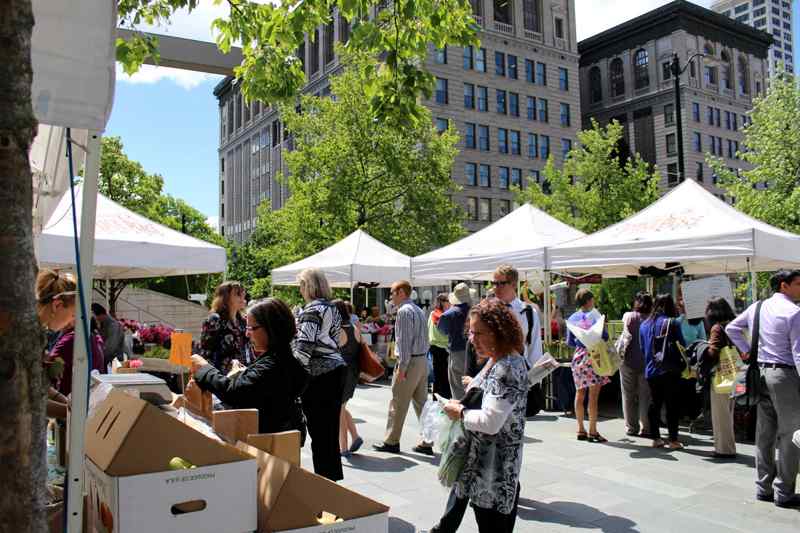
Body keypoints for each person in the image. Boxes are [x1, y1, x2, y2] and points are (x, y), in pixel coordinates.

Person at [430, 298, 529, 533]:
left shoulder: (506, 366)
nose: (472, 339)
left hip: (494, 474)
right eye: (471, 332)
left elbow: (491, 422)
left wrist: (461, 412)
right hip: (486, 470)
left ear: (499, 332)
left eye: (479, 333)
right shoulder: (499, 360)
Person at [726, 269, 800, 508]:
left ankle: (763, 487)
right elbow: (799, 353)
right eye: (798, 283)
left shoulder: (757, 307)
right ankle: (784, 491)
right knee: (790, 435)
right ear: (784, 286)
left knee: (765, 433)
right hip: (784, 376)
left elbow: (731, 329)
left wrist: (746, 350)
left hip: (759, 374)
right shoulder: (794, 312)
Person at [190, 298, 308, 439]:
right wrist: (245, 373)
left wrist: (204, 368)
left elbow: (234, 392)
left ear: (271, 328)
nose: (247, 334)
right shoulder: (283, 361)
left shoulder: (274, 364)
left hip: (263, 447)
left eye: (251, 328)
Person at [294, 268, 347, 481]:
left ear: (308, 286)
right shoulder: (332, 308)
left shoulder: (312, 310)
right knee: (329, 435)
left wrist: (294, 379)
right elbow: (338, 339)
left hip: (319, 376)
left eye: (301, 285)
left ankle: (325, 487)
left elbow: (304, 348)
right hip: (336, 370)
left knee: (320, 435)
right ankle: (331, 482)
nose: (300, 290)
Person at [373, 280, 433, 455]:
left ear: (401, 292)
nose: (390, 296)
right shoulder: (418, 310)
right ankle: (427, 441)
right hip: (421, 360)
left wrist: (402, 369)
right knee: (421, 403)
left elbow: (404, 342)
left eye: (392, 292)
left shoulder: (404, 312)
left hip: (411, 361)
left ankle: (392, 441)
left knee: (398, 402)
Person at [492, 265, 544, 417]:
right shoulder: (489, 310)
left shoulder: (528, 312)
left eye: (501, 283)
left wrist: (534, 380)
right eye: (494, 283)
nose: (497, 287)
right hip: (493, 378)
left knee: (514, 427)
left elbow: (534, 346)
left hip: (519, 379)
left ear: (514, 284)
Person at [640, 294, 687, 449]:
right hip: (670, 369)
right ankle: (673, 440)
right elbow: (682, 345)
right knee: (672, 405)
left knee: (655, 403)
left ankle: (656, 438)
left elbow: (642, 349)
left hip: (651, 370)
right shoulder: (672, 323)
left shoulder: (644, 324)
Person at [566, 289, 609, 443]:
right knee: (593, 396)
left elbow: (569, 342)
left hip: (578, 357)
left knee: (579, 393)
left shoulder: (572, 318)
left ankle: (580, 429)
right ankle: (593, 431)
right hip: (593, 356)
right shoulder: (596, 317)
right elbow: (605, 336)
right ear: (589, 300)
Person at [37, 269, 78, 418]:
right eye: (73, 314)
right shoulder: (24, 336)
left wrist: (64, 401)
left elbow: (36, 386)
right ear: (57, 305)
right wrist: (72, 413)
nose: (72, 321)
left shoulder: (37, 334)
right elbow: (25, 400)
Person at [704, 297, 738, 458]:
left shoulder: (717, 328)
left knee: (720, 413)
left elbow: (713, 352)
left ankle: (724, 449)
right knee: (729, 412)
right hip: (738, 374)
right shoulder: (737, 324)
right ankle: (729, 446)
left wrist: (705, 347)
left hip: (722, 375)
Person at [619, 292, 653, 438]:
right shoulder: (652, 319)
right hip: (646, 362)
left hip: (627, 361)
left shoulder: (629, 316)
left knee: (628, 395)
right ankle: (646, 427)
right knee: (645, 396)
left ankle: (631, 427)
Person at [332, 300, 364, 457]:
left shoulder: (337, 331)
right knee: (342, 407)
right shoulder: (354, 328)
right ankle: (355, 436)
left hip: (340, 374)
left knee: (339, 410)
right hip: (353, 372)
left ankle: (343, 448)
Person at [200, 281, 252, 374]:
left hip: (243, 375)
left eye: (243, 294)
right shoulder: (214, 320)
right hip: (222, 377)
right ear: (225, 298)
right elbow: (206, 353)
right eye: (237, 294)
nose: (242, 297)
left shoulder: (243, 321)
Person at [437, 283, 473, 400]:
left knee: (457, 386)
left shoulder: (449, 314)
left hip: (457, 351)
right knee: (473, 385)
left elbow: (442, 331)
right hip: (476, 351)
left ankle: (461, 413)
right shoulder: (476, 310)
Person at [428, 293, 452, 399]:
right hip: (441, 348)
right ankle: (440, 400)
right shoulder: (438, 315)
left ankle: (438, 400)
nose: (450, 303)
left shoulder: (434, 313)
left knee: (439, 377)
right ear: (442, 302)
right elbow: (444, 332)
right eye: (448, 301)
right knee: (442, 378)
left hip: (437, 347)